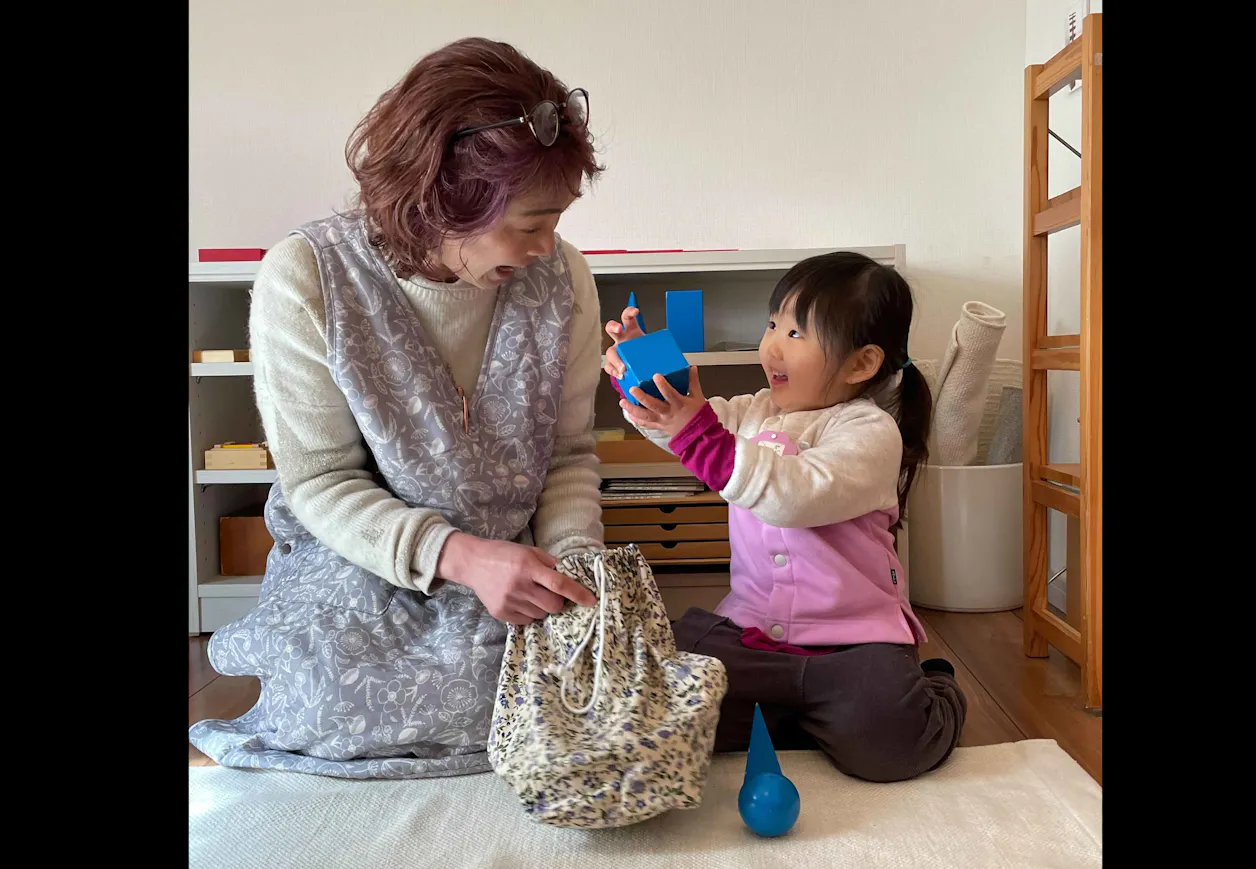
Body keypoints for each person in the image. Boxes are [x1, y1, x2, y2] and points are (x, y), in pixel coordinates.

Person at [189, 37, 606, 780]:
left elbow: (569, 456)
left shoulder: (563, 276)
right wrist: (458, 556)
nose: (549, 246)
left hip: (520, 566)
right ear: (447, 198)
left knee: (589, 687)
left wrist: (576, 573)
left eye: (557, 221)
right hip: (364, 562)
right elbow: (319, 482)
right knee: (329, 700)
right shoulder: (309, 276)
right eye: (531, 222)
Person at [603, 251, 967, 783]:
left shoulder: (869, 433)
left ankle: (933, 685)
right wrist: (648, 386)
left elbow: (794, 497)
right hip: (752, 632)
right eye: (772, 323)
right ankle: (798, 716)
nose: (771, 343)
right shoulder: (756, 410)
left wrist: (698, 431)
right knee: (664, 700)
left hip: (853, 643)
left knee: (893, 744)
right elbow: (682, 431)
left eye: (797, 334)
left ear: (861, 364)